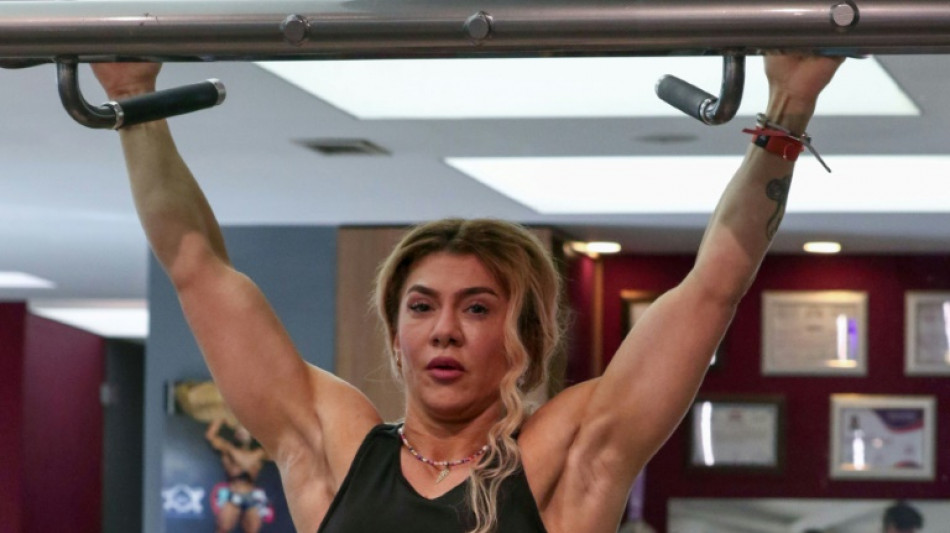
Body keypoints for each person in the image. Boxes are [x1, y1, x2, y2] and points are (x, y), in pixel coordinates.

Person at [91, 52, 843, 533]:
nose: (444, 329)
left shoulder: (563, 456)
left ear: (527, 339)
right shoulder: (336, 447)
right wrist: (133, 102)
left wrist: (788, 111)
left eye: (477, 308)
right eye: (422, 307)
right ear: (396, 338)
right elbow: (196, 269)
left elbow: (712, 289)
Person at [205, 417, 270, 533]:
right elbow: (210, 436)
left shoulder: (260, 453)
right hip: (233, 493)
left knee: (253, 530)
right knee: (223, 529)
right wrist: (220, 419)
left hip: (251, 495)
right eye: (239, 430)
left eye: (245, 430)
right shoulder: (228, 449)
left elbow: (277, 449)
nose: (241, 433)